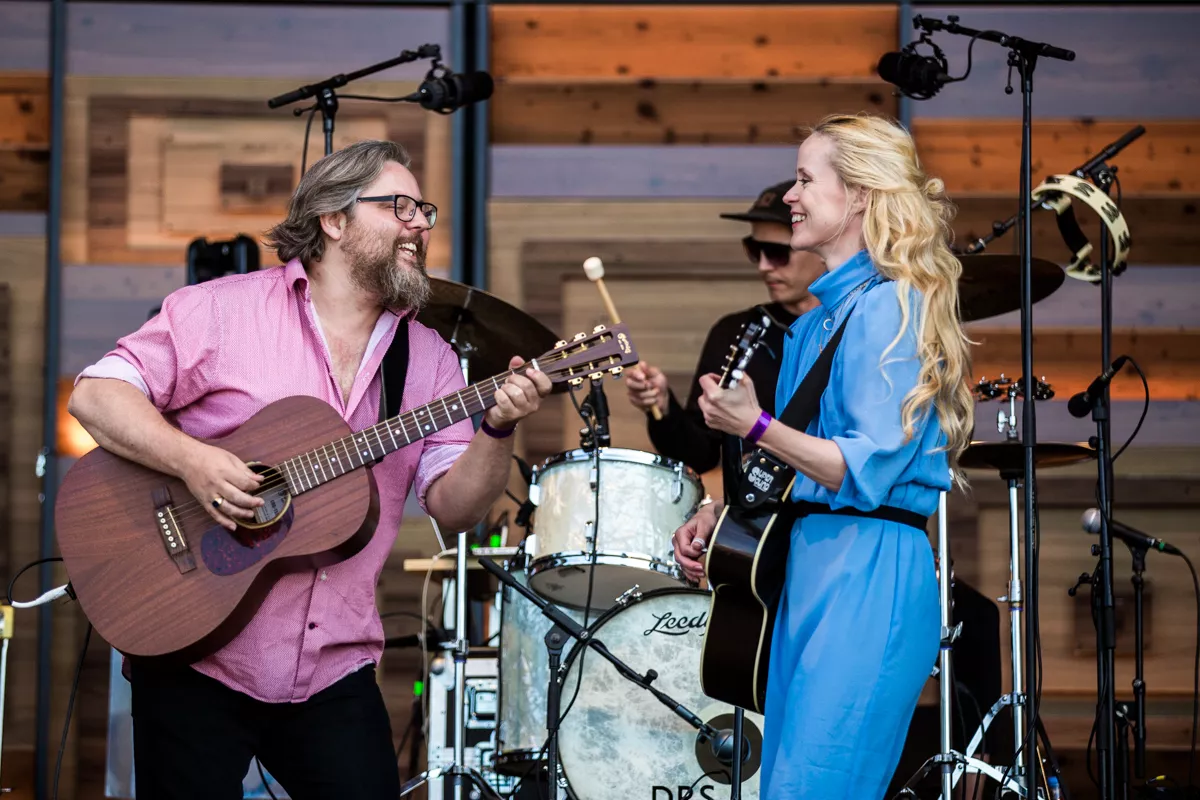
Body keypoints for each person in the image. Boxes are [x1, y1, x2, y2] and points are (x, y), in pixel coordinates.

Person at [67, 140, 551, 800]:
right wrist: (196, 463)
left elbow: (455, 507)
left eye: (426, 210)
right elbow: (96, 395)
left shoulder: (429, 359)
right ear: (334, 218)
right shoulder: (221, 310)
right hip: (196, 650)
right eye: (400, 206)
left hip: (333, 670)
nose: (421, 224)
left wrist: (498, 425)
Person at [672, 114, 974, 798]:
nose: (790, 195)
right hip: (809, 567)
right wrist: (721, 514)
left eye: (807, 179)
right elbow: (799, 470)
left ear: (862, 195)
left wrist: (754, 425)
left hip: (868, 569)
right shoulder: (816, 322)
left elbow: (859, 469)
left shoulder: (893, 304)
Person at [623, 181, 825, 475]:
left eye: (776, 252)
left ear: (817, 247)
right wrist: (664, 410)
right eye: (754, 250)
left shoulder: (855, 324)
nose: (763, 266)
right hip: (760, 515)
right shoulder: (735, 331)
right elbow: (700, 456)